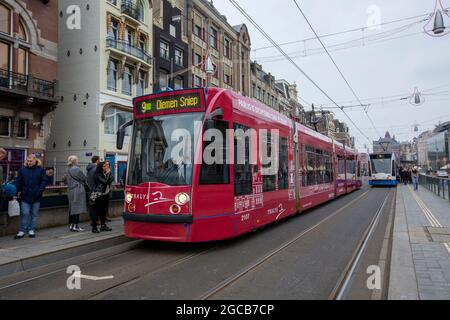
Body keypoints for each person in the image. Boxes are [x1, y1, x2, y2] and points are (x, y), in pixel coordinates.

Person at [14, 154, 48, 239]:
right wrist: (16, 192)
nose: (29, 162)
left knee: (34, 214)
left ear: (35, 160)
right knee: (25, 213)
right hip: (25, 196)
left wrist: (40, 191)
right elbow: (18, 182)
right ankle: (22, 231)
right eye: (28, 161)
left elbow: (44, 181)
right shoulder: (22, 170)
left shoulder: (41, 170)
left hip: (37, 196)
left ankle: (31, 230)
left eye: (31, 161)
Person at [91, 161, 114, 233]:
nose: (106, 167)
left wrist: (109, 174)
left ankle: (103, 226)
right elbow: (105, 182)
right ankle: (94, 227)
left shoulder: (105, 174)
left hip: (105, 194)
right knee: (96, 211)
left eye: (106, 166)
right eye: (104, 166)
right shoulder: (97, 174)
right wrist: (108, 173)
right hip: (99, 194)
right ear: (100, 167)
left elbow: (111, 180)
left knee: (104, 211)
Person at [66, 156, 88, 232]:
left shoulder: (68, 169)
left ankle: (72, 225)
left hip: (70, 190)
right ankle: (75, 225)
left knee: (72, 208)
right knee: (77, 208)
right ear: (75, 161)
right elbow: (84, 178)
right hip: (77, 190)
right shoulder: (76, 169)